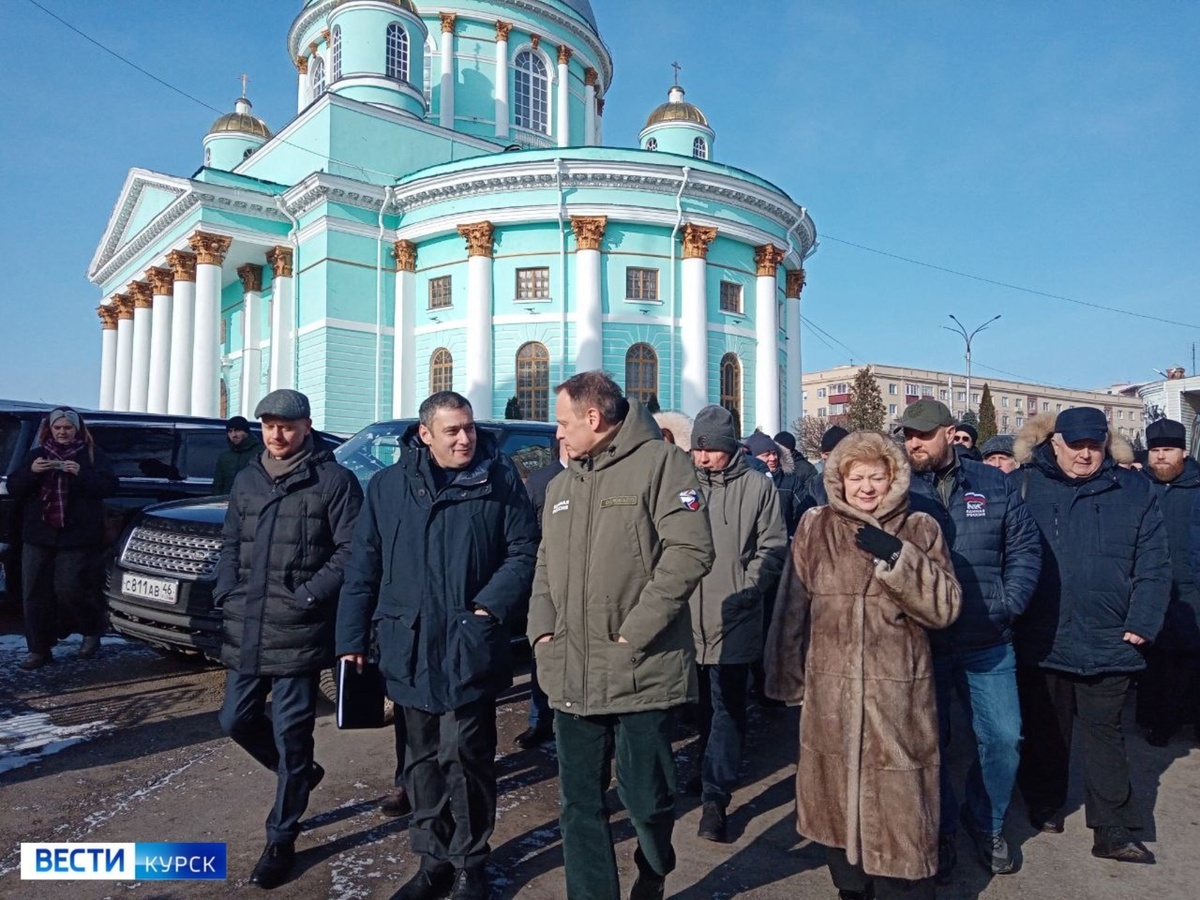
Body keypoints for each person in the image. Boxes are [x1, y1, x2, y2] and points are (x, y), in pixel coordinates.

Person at [337, 390, 537, 900]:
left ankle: (471, 862)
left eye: (468, 428)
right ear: (425, 436)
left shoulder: (499, 480)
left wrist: (488, 607)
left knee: (466, 757)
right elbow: (364, 567)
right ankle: (433, 862)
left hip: (469, 644)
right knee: (420, 762)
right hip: (407, 643)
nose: (465, 438)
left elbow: (523, 551)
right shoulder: (387, 487)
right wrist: (351, 638)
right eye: (452, 431)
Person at [528, 371, 714, 900]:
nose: (557, 434)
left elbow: (690, 551)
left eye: (563, 423)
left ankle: (654, 866)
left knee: (646, 798)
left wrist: (634, 634)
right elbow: (544, 568)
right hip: (571, 670)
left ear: (593, 417)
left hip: (641, 669)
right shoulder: (562, 486)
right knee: (579, 804)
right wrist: (542, 634)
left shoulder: (662, 464)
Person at [765, 431, 961, 900]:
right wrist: (787, 676)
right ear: (840, 479)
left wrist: (897, 557)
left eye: (877, 477)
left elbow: (946, 607)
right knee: (835, 810)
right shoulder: (816, 526)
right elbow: (793, 607)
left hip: (899, 705)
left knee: (901, 823)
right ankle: (850, 888)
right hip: (830, 702)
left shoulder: (920, 528)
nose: (867, 488)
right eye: (857, 478)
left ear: (894, 479)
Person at [214, 389, 363, 889]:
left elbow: (350, 551)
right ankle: (297, 774)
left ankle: (281, 838)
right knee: (235, 718)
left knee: (293, 734)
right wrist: (225, 592)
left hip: (299, 631)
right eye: (268, 425)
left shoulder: (333, 481)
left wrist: (308, 597)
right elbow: (231, 542)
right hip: (248, 625)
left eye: (286, 425)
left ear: (306, 426)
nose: (276, 435)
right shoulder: (248, 478)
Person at [1012, 407, 1169, 864]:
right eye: (1076, 444)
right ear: (1054, 443)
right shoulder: (1024, 486)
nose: (1085, 454)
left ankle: (1113, 828)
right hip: (1042, 634)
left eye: (1094, 445)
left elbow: (1154, 563)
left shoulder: (1134, 488)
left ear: (1106, 443)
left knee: (1107, 734)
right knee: (1045, 729)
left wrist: (1143, 620)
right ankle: (1044, 802)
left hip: (1111, 635)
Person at [899, 399, 1041, 880]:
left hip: (987, 637)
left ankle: (987, 821)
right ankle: (937, 831)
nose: (912, 443)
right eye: (907, 435)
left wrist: (1008, 603)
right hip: (922, 642)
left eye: (922, 434)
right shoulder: (897, 489)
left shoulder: (993, 484)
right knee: (929, 744)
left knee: (1003, 738)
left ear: (949, 433)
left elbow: (1023, 548)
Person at [688, 408, 787, 842]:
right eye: (698, 448)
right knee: (698, 708)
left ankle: (716, 797)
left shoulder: (757, 488)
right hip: (687, 617)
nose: (703, 457)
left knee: (728, 707)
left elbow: (773, 546)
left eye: (710, 449)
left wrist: (749, 590)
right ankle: (703, 768)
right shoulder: (683, 487)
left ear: (729, 447)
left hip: (736, 616)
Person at [8, 407, 118, 669]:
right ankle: (38, 650)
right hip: (39, 533)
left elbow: (110, 486)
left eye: (67, 427)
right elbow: (15, 487)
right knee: (34, 592)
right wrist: (31, 472)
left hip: (77, 535)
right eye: (58, 428)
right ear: (50, 430)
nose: (62, 432)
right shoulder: (37, 454)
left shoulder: (91, 455)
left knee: (69, 588)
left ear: (77, 429)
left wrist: (81, 473)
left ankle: (91, 628)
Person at [1139, 419, 1200, 745]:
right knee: (1156, 662)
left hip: (1191, 589)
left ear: (1184, 452)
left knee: (1191, 659)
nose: (1161, 457)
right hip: (1151, 589)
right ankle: (1158, 721)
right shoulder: (1136, 488)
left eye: (1169, 450)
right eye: (1156, 451)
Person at [514, 437, 571, 749]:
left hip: (581, 582)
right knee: (542, 649)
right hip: (547, 579)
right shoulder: (540, 481)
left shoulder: (595, 475)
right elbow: (527, 531)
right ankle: (540, 720)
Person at [745, 431, 811, 538]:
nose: (773, 458)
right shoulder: (744, 483)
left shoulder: (790, 481)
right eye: (766, 455)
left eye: (774, 453)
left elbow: (804, 512)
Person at [212, 415, 264, 494]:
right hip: (227, 502)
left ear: (246, 432)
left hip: (253, 503)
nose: (233, 435)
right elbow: (217, 486)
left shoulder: (261, 453)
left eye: (237, 430)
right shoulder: (225, 457)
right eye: (230, 431)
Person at [807, 425, 850, 505]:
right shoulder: (817, 483)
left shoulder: (859, 481)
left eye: (828, 454)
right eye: (823, 453)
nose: (823, 457)